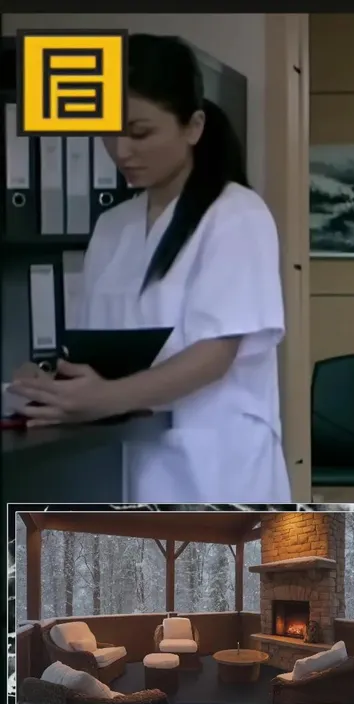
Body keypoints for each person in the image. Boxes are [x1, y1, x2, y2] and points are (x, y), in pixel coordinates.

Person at [6, 34, 290, 503]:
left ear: (193, 127)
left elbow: (214, 354)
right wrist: (52, 384)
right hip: (125, 462)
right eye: (108, 132)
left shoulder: (236, 214)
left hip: (216, 466)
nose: (121, 151)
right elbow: (99, 352)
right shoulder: (113, 227)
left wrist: (105, 399)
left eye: (139, 133)